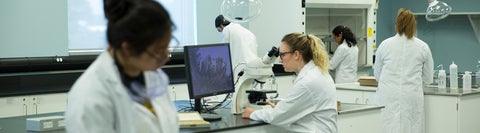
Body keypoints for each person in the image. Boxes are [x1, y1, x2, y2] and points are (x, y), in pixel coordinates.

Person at [65, 0, 179, 132]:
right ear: (128, 49)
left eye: (167, 46)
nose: (166, 56)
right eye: (159, 50)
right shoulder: (90, 98)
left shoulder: (151, 77)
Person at [242, 32, 337, 133]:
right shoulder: (316, 72)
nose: (279, 60)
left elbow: (277, 117)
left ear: (296, 54)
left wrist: (252, 113)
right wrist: (284, 109)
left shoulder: (308, 82)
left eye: (282, 55)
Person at [374, 8, 433, 133]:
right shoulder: (422, 47)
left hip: (388, 95)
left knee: (387, 126)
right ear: (413, 25)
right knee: (411, 127)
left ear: (397, 25)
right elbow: (428, 78)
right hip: (411, 96)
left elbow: (377, 75)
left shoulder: (385, 45)